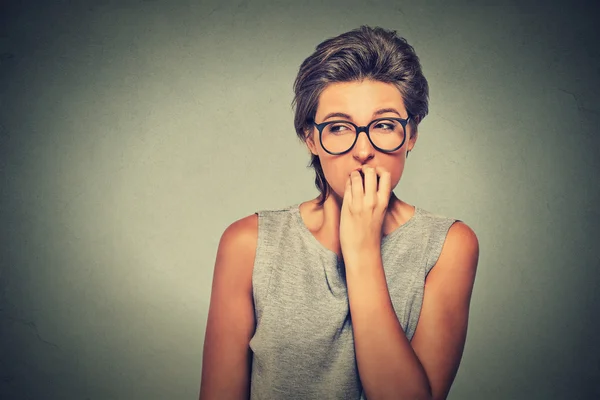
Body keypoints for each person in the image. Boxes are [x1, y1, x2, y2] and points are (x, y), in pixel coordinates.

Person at [199, 26, 479, 400]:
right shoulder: (248, 243)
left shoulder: (448, 246)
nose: (362, 150)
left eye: (383, 125)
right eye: (338, 127)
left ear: (411, 134)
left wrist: (362, 249)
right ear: (311, 138)